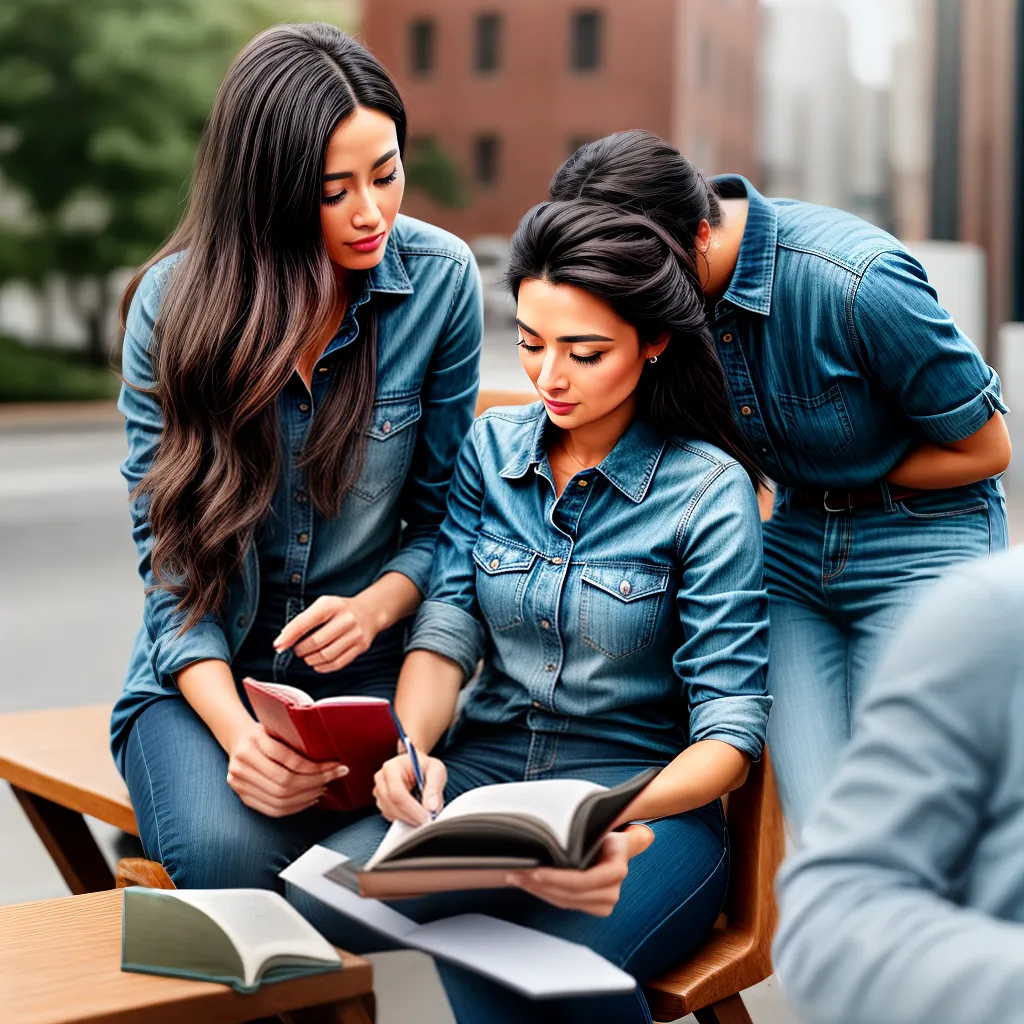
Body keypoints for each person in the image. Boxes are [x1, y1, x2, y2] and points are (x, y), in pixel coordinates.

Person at [288, 197, 772, 1024]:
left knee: (539, 977)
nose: (550, 376)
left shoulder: (707, 490)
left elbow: (729, 733)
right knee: (315, 902)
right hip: (483, 784)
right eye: (532, 344)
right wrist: (414, 752)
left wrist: (598, 818)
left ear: (653, 344)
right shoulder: (492, 449)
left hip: (643, 802)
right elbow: (448, 628)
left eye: (585, 353)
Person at [110, 23, 482, 890]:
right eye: (332, 190)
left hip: (373, 674)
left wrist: (374, 607)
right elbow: (171, 572)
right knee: (227, 852)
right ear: (268, 195)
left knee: (393, 859)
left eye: (385, 175)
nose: (371, 213)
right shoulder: (171, 309)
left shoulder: (441, 281)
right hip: (207, 671)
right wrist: (243, 741)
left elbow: (450, 527)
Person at [550, 130, 1012, 828]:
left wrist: (841, 468)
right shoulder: (661, 296)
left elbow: (987, 449)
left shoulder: (857, 281)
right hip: (794, 546)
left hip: (925, 535)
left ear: (699, 233)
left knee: (898, 813)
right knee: (822, 816)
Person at [773, 546, 1024, 1024]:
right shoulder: (999, 612)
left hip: (922, 540)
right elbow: (838, 913)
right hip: (798, 554)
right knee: (835, 844)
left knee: (931, 887)